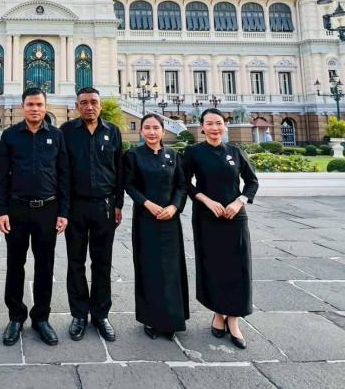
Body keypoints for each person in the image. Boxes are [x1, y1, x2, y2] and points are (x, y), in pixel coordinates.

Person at [0, 87, 70, 347]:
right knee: (15, 264)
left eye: (39, 104)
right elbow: (1, 176)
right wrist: (2, 211)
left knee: (45, 265)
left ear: (45, 107)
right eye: (30, 104)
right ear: (23, 107)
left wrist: (64, 212)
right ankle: (15, 317)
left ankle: (41, 318)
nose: (35, 108)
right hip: (17, 209)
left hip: (48, 210)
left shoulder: (57, 136)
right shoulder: (10, 136)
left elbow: (64, 176)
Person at [183, 107, 258, 350]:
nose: (214, 128)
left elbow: (252, 182)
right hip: (207, 218)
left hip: (235, 218)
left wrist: (239, 202)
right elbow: (185, 183)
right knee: (213, 266)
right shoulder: (193, 153)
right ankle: (218, 314)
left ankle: (233, 320)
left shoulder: (235, 152)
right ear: (202, 127)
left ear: (225, 126)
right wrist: (206, 201)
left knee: (238, 268)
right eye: (209, 123)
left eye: (218, 123)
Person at [60, 87, 122, 342]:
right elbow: (62, 172)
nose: (89, 107)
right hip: (75, 206)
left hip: (104, 206)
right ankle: (78, 314)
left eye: (94, 102)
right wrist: (63, 210)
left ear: (100, 105)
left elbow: (119, 170)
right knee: (75, 262)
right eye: (84, 103)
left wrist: (118, 204)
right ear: (77, 106)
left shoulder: (113, 131)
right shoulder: (66, 131)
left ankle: (100, 314)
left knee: (102, 263)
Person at [122, 113, 189, 340]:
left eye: (156, 128)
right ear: (141, 131)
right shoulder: (133, 156)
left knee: (171, 270)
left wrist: (174, 207)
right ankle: (150, 319)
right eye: (147, 128)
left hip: (170, 221)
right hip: (145, 220)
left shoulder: (174, 156)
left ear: (163, 131)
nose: (152, 132)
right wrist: (147, 204)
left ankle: (171, 320)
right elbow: (129, 185)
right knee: (148, 268)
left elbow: (182, 186)